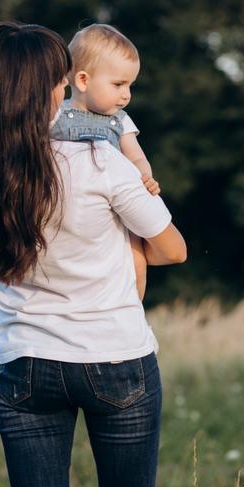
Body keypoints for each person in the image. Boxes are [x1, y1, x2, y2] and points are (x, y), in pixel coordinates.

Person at [0, 21, 187, 487]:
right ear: (40, 91)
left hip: (26, 361)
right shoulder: (99, 160)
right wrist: (119, 249)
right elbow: (173, 250)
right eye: (58, 78)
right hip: (115, 355)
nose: (64, 86)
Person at [51, 23, 157, 300]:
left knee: (136, 260)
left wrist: (145, 176)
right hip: (71, 209)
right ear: (83, 80)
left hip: (116, 207)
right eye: (119, 84)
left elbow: (135, 155)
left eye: (130, 85)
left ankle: (131, 310)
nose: (127, 95)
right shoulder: (55, 115)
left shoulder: (120, 121)